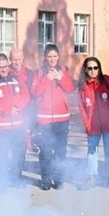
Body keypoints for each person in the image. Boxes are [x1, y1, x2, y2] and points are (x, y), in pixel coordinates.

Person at [30, 44, 74, 190]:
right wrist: (47, 79)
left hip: (62, 118)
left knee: (61, 151)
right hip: (44, 119)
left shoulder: (64, 70)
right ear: (45, 57)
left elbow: (70, 89)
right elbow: (35, 92)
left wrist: (61, 78)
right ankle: (46, 180)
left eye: (55, 56)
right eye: (49, 56)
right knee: (46, 150)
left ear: (58, 56)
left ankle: (59, 179)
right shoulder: (39, 72)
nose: (52, 59)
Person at [0, 53, 30, 186]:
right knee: (1, 155)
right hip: (1, 127)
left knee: (19, 154)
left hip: (18, 125)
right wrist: (7, 110)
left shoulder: (16, 79)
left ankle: (16, 179)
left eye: (5, 66)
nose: (4, 70)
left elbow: (25, 96)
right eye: (0, 68)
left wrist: (18, 108)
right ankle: (2, 181)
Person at [77, 57, 109, 190]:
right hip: (93, 125)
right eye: (90, 68)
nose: (93, 71)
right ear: (85, 69)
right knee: (92, 151)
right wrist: (87, 124)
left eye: (95, 68)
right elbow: (81, 108)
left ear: (99, 68)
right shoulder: (82, 86)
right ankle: (91, 176)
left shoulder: (106, 80)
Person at [9, 48, 38, 154]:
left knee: (26, 133)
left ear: (23, 59)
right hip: (12, 111)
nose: (17, 62)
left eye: (19, 59)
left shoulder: (30, 74)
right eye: (14, 60)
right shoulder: (6, 73)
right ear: (10, 59)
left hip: (27, 109)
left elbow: (33, 92)